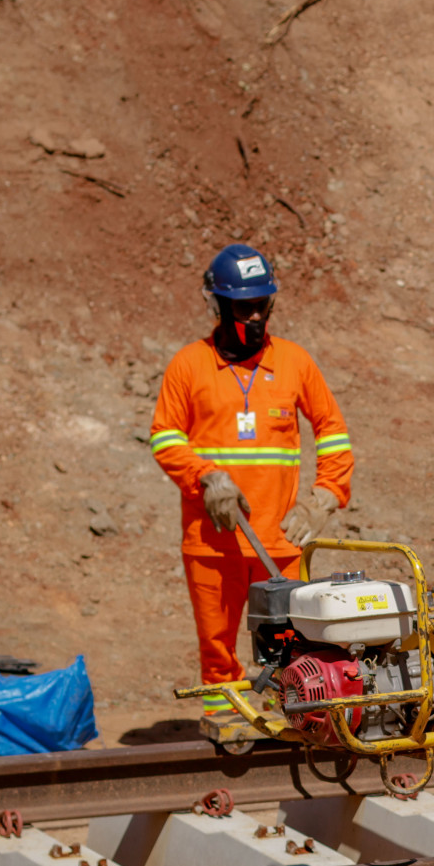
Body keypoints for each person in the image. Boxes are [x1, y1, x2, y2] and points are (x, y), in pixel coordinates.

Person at [150, 244, 354, 737]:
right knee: (216, 640)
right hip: (212, 538)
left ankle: (294, 712)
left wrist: (325, 496)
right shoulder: (188, 366)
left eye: (264, 304)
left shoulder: (295, 363)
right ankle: (224, 716)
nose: (257, 316)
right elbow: (165, 437)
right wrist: (205, 476)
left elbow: (334, 433)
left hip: (280, 538)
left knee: (289, 640)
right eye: (245, 307)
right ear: (217, 306)